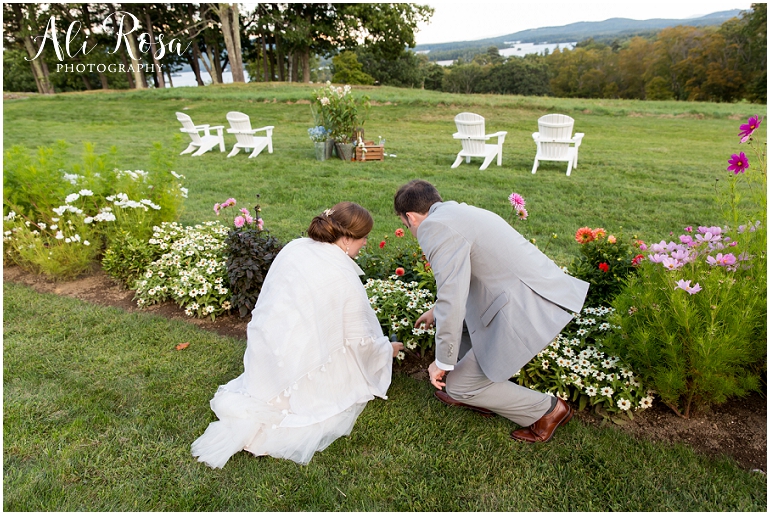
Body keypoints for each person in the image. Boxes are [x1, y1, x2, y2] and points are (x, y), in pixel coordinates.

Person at [192, 202, 403, 468]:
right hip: (298, 357)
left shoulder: (297, 247)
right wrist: (386, 350)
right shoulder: (341, 274)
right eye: (364, 238)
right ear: (348, 238)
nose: (365, 244)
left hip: (269, 354)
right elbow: (359, 339)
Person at [393, 180, 589, 443]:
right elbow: (462, 281)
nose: (410, 231)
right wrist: (436, 311)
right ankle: (475, 391)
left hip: (522, 309)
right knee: (452, 323)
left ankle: (548, 409)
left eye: (406, 226)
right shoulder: (458, 212)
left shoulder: (432, 227)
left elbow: (452, 298)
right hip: (528, 294)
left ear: (410, 217)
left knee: (460, 385)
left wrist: (442, 362)